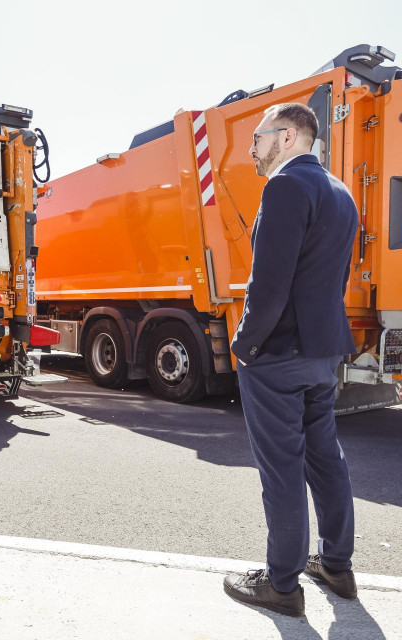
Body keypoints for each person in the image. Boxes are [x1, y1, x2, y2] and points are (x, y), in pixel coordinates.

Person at [223, 103, 359, 617]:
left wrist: (246, 347)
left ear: (287, 136)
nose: (252, 150)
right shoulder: (341, 192)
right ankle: (337, 566)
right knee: (326, 460)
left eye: (257, 139)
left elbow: (268, 283)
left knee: (282, 469)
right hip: (322, 353)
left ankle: (281, 585)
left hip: (278, 355)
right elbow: (337, 279)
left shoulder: (283, 187)